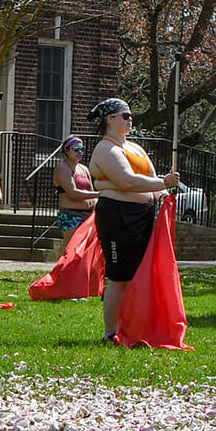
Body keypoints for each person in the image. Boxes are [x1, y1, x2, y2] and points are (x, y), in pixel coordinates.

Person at [88, 97, 181, 342]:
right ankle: (111, 333)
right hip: (117, 216)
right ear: (110, 119)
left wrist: (163, 194)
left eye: (130, 116)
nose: (131, 120)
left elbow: (148, 177)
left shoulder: (135, 148)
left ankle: (135, 326)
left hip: (143, 216)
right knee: (121, 277)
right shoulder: (106, 148)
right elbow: (127, 181)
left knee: (140, 274)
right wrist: (162, 182)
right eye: (125, 116)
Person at [53, 137, 98, 233]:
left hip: (89, 216)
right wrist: (100, 194)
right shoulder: (62, 167)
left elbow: (91, 191)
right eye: (76, 149)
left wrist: (96, 200)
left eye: (82, 149)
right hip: (71, 216)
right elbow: (73, 193)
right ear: (66, 150)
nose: (80, 152)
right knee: (73, 248)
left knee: (87, 248)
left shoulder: (84, 168)